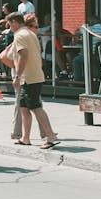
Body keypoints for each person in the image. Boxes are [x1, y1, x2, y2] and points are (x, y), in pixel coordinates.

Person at [5, 12, 60, 149]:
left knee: (36, 107)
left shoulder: (19, 35)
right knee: (24, 107)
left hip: (29, 77)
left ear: (15, 22)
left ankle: (51, 136)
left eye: (10, 24)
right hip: (33, 76)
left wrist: (17, 76)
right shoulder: (30, 33)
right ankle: (25, 138)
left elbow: (23, 56)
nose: (9, 27)